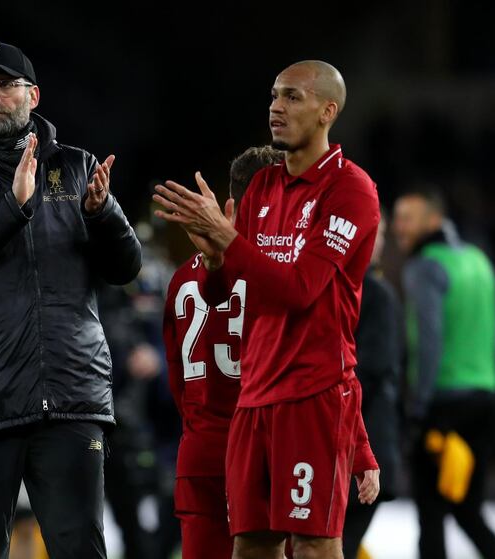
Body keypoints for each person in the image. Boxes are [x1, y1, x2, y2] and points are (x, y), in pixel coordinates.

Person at [0, 41, 142, 559]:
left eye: (3, 86)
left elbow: (125, 268)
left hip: (70, 395)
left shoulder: (79, 166)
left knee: (81, 548)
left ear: (33, 95)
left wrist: (103, 213)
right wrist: (14, 208)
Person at [153, 60, 381, 559]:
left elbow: (301, 290)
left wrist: (227, 239)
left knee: (315, 546)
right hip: (253, 400)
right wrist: (214, 261)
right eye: (274, 96)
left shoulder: (350, 190)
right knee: (251, 546)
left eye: (293, 97)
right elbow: (227, 297)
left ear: (328, 111)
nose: (276, 107)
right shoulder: (261, 188)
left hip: (312, 394)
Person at [163, 146, 283, 559]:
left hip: (199, 453)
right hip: (264, 451)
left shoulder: (182, 278)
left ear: (230, 204)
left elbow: (177, 379)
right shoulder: (279, 273)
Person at [392, 188, 495, 559]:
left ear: (433, 221)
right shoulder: (479, 261)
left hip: (442, 404)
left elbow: (428, 342)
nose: (397, 227)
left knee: (431, 515)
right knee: (468, 510)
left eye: (406, 218)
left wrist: (418, 410)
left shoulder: (425, 266)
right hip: (484, 398)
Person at [342, 213, 402, 557]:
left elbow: (374, 368)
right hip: (366, 443)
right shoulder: (364, 289)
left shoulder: (373, 292)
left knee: (336, 544)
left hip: (363, 446)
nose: (377, 240)